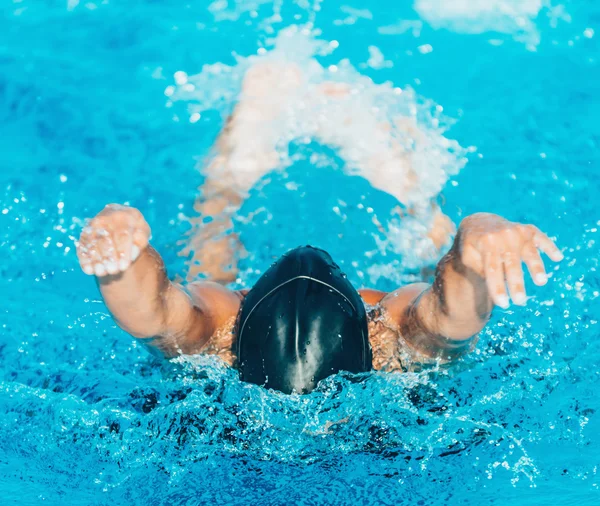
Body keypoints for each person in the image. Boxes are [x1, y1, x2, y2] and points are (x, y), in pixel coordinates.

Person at [76, 63, 563, 394]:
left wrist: (121, 254)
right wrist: (478, 233)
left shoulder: (215, 335)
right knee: (434, 257)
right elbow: (453, 311)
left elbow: (151, 313)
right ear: (370, 337)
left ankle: (238, 160)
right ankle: (411, 192)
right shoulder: (396, 342)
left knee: (210, 266)